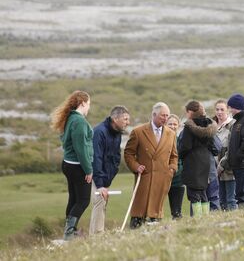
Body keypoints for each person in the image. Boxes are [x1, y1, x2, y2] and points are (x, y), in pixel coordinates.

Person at [124, 102, 178, 229]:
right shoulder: (138, 132)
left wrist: (172, 169)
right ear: (154, 115)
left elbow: (174, 156)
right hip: (144, 178)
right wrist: (136, 166)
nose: (165, 119)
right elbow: (128, 153)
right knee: (139, 213)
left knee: (156, 215)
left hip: (162, 179)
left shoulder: (171, 134)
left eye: (167, 116)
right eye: (162, 116)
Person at [50, 90, 93, 241]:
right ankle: (69, 232)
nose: (89, 108)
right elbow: (81, 148)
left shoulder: (69, 118)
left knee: (74, 199)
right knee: (83, 200)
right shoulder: (79, 121)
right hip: (78, 166)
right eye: (88, 104)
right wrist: (88, 170)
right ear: (82, 103)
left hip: (68, 164)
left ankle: (69, 231)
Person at [89, 105, 130, 235]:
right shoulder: (99, 132)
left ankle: (94, 235)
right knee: (99, 202)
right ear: (115, 118)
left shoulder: (117, 133)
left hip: (106, 177)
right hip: (96, 176)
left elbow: (116, 156)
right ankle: (97, 236)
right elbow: (96, 158)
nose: (128, 123)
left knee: (102, 204)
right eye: (125, 119)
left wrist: (111, 174)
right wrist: (100, 184)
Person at [180, 100, 217, 216]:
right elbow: (212, 145)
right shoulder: (208, 125)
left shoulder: (189, 126)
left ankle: (197, 218)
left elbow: (185, 146)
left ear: (190, 112)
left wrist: (180, 154)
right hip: (205, 161)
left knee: (193, 193)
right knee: (203, 191)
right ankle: (205, 216)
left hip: (192, 162)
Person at [214, 99, 237, 210]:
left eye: (222, 109)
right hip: (215, 172)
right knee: (221, 201)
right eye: (217, 109)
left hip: (228, 169)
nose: (219, 112)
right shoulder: (212, 127)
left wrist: (222, 166)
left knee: (231, 200)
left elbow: (231, 149)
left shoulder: (232, 125)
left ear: (227, 111)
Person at [166, 114, 185, 220]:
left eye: (175, 124)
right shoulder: (160, 140)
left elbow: (182, 159)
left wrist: (176, 171)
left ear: (178, 126)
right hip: (162, 180)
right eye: (170, 124)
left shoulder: (180, 140)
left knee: (177, 212)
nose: (172, 126)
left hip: (178, 180)